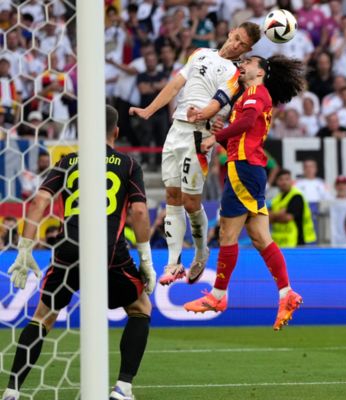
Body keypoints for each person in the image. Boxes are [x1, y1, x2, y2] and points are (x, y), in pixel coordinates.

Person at [2, 106, 156, 400]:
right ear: (116, 132)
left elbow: (38, 203)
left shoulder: (67, 161)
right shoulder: (128, 164)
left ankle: (12, 391)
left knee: (42, 316)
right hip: (109, 250)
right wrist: (146, 261)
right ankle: (123, 388)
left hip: (67, 248)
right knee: (140, 308)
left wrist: (24, 249)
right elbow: (138, 210)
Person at [129, 22, 261, 286]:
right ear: (231, 31)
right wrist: (148, 110)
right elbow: (175, 85)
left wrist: (204, 115)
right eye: (236, 38)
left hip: (199, 134)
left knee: (190, 202)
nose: (236, 45)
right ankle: (173, 263)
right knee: (171, 197)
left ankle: (201, 251)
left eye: (242, 45)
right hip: (176, 128)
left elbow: (220, 100)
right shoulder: (200, 53)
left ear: (247, 49)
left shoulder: (236, 72)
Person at [183, 55, 307, 331]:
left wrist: (217, 136)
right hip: (250, 170)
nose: (243, 64)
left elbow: (249, 121)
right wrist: (223, 134)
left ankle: (218, 297)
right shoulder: (252, 94)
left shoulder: (255, 92)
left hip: (243, 171)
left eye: (249, 61)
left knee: (228, 233)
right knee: (261, 238)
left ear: (260, 71)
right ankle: (286, 294)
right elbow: (244, 135)